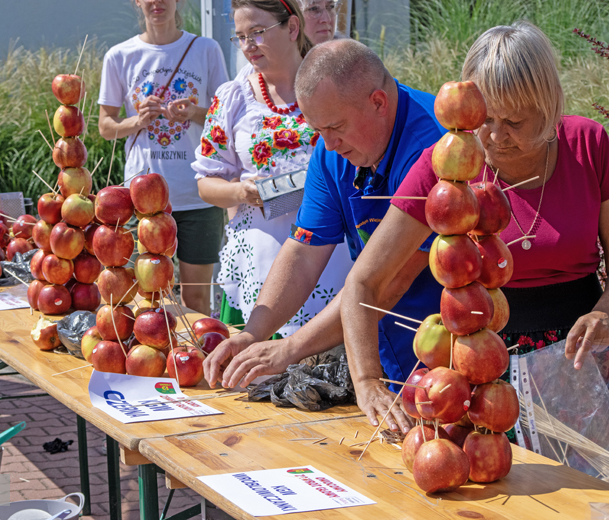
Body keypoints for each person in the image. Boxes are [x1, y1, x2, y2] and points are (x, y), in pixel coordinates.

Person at [341, 21, 609, 433]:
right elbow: (363, 284)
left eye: (516, 122)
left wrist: (604, 314)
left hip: (584, 364)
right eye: (484, 120)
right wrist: (366, 381)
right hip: (480, 372)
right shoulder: (445, 166)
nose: (497, 137)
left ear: (549, 105)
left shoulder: (588, 145)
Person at [204, 38, 448, 412]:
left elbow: (389, 282)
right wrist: (254, 334)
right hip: (382, 351)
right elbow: (302, 253)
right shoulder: (332, 149)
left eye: (335, 127)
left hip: (446, 359)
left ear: (378, 102)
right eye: (318, 130)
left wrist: (290, 348)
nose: (328, 145)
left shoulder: (433, 146)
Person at [194, 0, 353, 341]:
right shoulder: (233, 97)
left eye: (257, 33)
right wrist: (241, 192)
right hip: (258, 264)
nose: (248, 45)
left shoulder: (334, 86)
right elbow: (206, 183)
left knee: (329, 380)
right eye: (240, 36)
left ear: (292, 28)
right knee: (253, 375)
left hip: (331, 257)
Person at [98, 0, 228, 316]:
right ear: (137, 2)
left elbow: (225, 116)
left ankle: (196, 363)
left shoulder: (206, 49)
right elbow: (105, 126)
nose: (158, 2)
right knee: (148, 300)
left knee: (197, 303)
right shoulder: (119, 55)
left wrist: (194, 112)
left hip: (199, 197)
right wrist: (137, 122)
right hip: (141, 203)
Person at [234, 0, 341, 80]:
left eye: (330, 7)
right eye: (313, 9)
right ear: (292, 25)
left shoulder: (348, 64)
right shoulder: (247, 80)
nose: (326, 19)